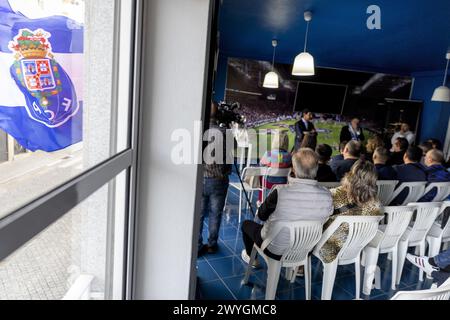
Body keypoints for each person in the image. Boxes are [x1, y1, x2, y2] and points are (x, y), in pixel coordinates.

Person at [240, 149, 333, 266]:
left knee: (246, 225)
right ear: (316, 168)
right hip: (305, 249)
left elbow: (261, 216)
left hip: (275, 248)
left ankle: (252, 259)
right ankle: (299, 267)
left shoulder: (280, 191)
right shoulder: (327, 195)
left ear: (293, 169)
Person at [319, 160, 383, 264]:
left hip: (330, 248)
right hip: (358, 247)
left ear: (351, 174)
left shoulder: (335, 194)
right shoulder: (376, 204)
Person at [198, 102, 232, 257]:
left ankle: (197, 244)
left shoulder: (199, 129)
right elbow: (234, 147)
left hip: (201, 179)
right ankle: (212, 244)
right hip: (218, 180)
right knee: (215, 213)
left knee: (199, 214)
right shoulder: (225, 131)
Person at [259, 131, 292, 201]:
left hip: (269, 182)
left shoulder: (269, 154)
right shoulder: (289, 156)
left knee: (260, 175)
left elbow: (261, 166)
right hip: (284, 183)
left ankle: (261, 200)